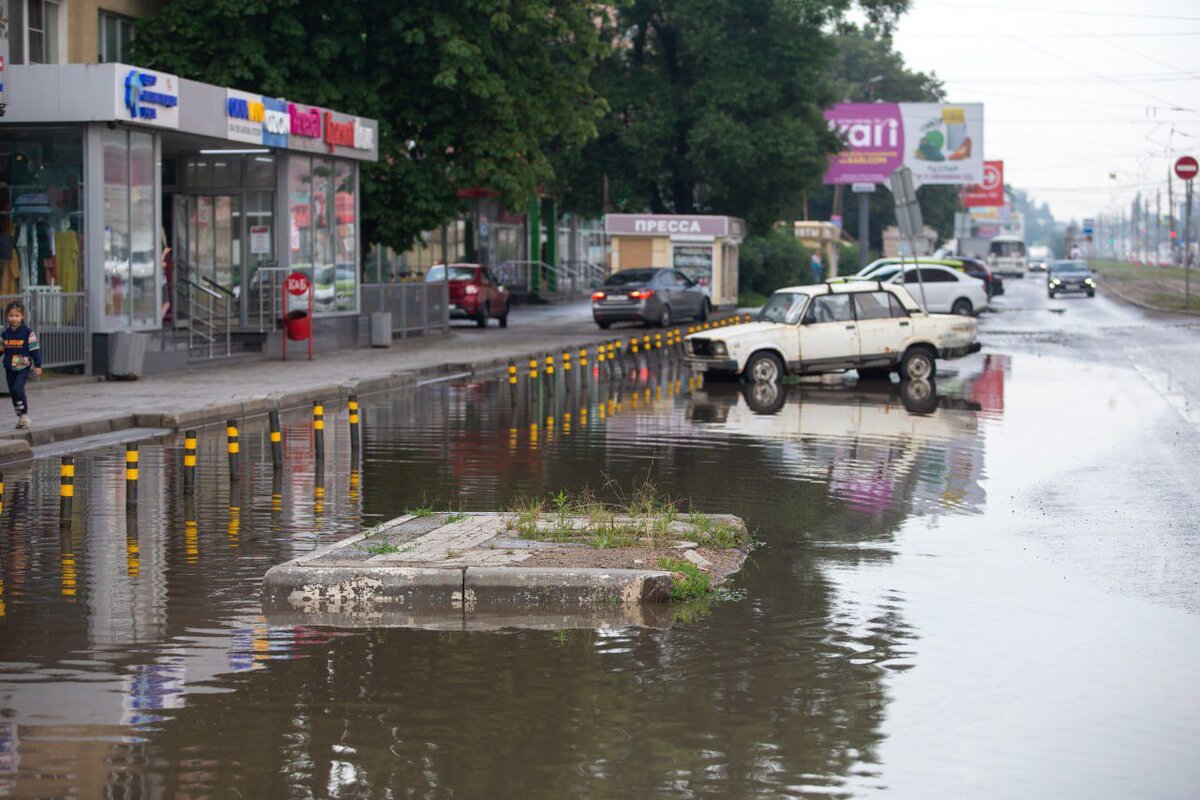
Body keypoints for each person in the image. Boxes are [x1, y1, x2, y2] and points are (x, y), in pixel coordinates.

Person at [0, 301, 43, 429]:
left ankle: (24, 415)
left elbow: (34, 350)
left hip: (23, 367)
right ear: (7, 316)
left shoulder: (28, 333)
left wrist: (38, 365)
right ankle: (20, 416)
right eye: (11, 316)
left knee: (18, 389)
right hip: (9, 367)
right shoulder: (5, 334)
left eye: (17, 315)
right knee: (13, 393)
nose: (14, 318)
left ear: (22, 316)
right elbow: (1, 349)